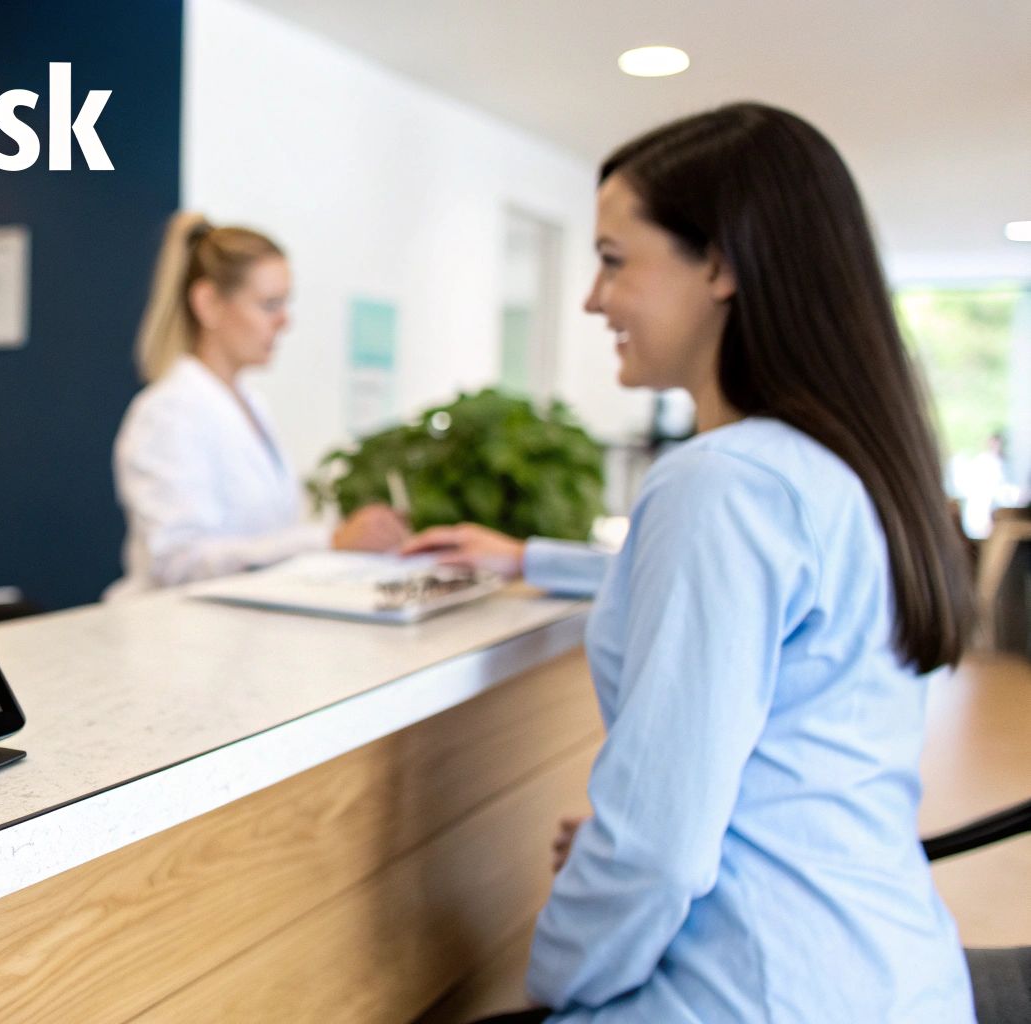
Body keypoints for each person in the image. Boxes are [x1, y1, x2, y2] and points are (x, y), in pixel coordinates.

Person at [413, 104, 977, 1022]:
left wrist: (554, 979)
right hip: (894, 971)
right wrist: (532, 558)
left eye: (612, 259)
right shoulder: (842, 468)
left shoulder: (720, 482)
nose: (593, 300)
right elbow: (732, 603)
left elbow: (656, 851)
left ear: (720, 264)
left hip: (756, 988)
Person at [107, 213, 406, 597]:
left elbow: (270, 535)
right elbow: (178, 563)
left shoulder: (251, 405)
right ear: (208, 303)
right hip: (174, 638)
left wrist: (351, 536)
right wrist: (329, 540)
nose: (285, 322)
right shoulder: (167, 413)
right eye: (269, 304)